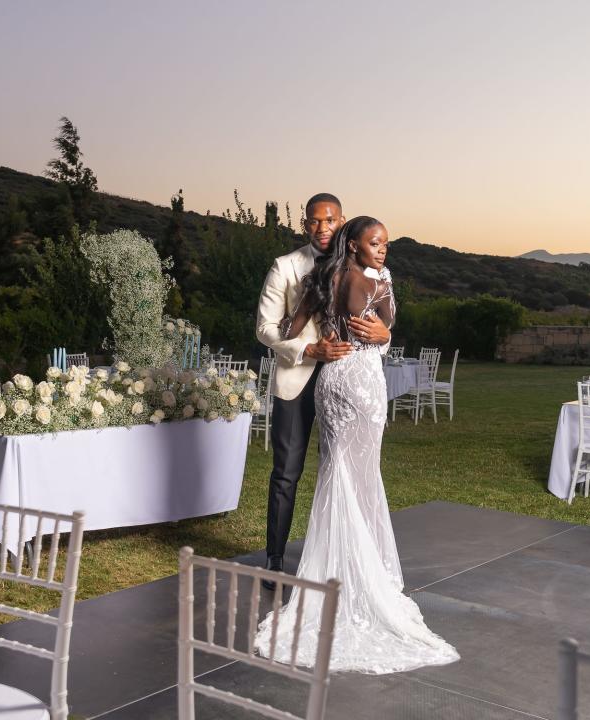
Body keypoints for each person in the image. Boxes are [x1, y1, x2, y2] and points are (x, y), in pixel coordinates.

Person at [254, 216, 459, 674]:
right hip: (360, 379)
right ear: (356, 244)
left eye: (385, 244)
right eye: (376, 243)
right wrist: (380, 305)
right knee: (360, 476)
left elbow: (292, 325)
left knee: (340, 473)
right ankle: (361, 575)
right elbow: (384, 322)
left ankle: (339, 569)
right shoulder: (367, 279)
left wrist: (315, 334)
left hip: (334, 378)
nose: (383, 250)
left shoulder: (323, 276)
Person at [256, 194, 390, 585]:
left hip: (344, 381)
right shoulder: (285, 267)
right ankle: (275, 559)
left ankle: (346, 561)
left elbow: (378, 322)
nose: (322, 227)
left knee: (346, 471)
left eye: (330, 220)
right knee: (288, 471)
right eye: (314, 221)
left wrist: (386, 335)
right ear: (305, 225)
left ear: (342, 221)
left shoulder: (367, 261)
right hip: (299, 378)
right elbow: (265, 328)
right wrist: (307, 348)